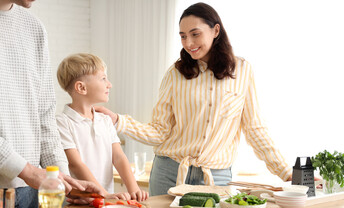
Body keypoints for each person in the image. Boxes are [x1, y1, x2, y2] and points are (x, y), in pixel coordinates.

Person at [96, 2, 293, 196]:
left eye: (195, 34)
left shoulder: (242, 71)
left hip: (216, 177)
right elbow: (159, 130)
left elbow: (254, 129)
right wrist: (118, 121)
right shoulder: (175, 73)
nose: (189, 43)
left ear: (216, 30)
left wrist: (287, 173)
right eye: (183, 36)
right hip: (169, 173)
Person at [0, 0, 107, 208]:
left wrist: (63, 179)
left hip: (33, 188)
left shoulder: (34, 28)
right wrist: (26, 170)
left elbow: (44, 113)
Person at [55, 53, 149, 201]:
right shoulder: (62, 122)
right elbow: (75, 164)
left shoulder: (105, 120)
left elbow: (118, 157)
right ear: (81, 87)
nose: (109, 84)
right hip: (81, 202)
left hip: (107, 198)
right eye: (103, 78)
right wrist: (103, 194)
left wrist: (134, 189)